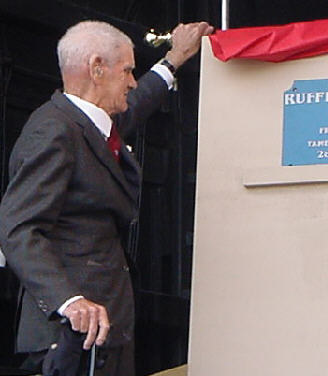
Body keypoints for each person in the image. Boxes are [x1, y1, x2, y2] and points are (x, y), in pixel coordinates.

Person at [0, 19, 213, 375]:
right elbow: (18, 229)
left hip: (104, 334)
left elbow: (137, 103)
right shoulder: (53, 131)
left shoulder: (89, 125)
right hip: (69, 338)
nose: (132, 81)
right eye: (127, 70)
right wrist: (69, 302)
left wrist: (174, 59)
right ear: (97, 68)